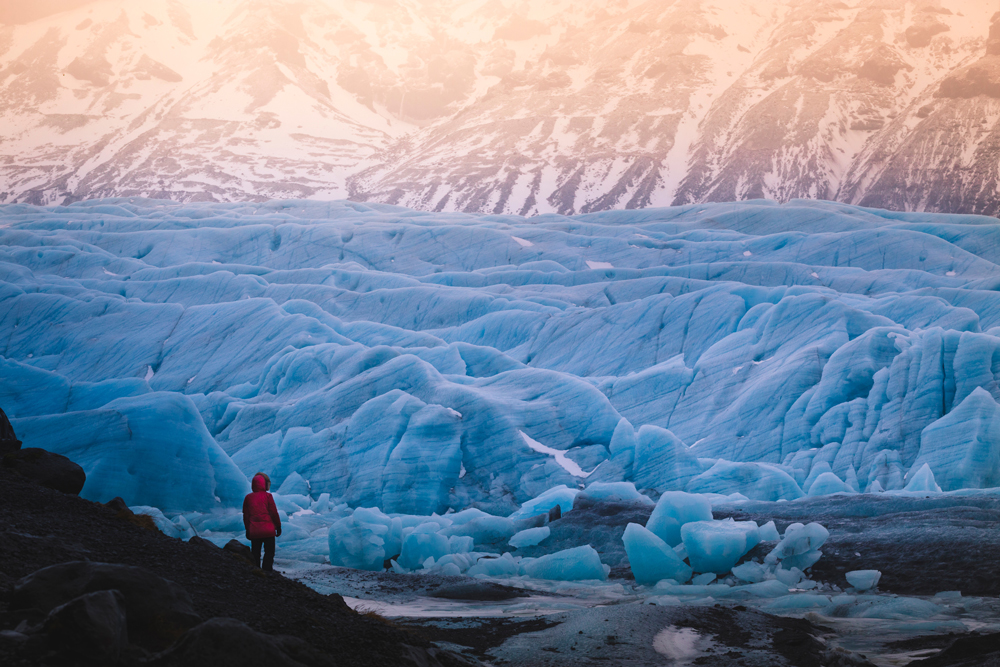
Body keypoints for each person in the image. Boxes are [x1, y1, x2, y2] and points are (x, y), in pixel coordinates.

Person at [243, 472, 281, 571]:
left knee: (255, 552)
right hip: (268, 530)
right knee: (269, 552)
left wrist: (248, 530)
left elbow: (246, 516)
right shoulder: (268, 496)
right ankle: (267, 570)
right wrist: (278, 526)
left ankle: (256, 571)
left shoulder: (248, 498)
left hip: (255, 531)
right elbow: (273, 513)